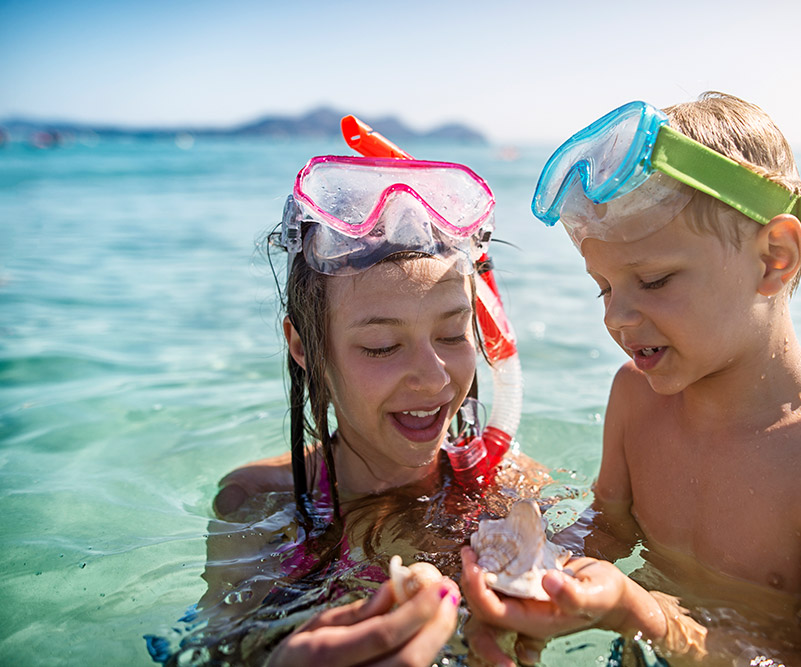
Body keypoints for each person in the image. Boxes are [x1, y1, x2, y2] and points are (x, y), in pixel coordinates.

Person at [461, 93, 801, 666]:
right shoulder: (635, 397)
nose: (615, 317)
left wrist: (645, 615)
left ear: (773, 258)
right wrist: (532, 578)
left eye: (656, 280)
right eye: (604, 287)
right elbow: (606, 528)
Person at [156, 153, 544, 666]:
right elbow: (209, 649)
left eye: (453, 334)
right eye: (382, 345)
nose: (434, 378)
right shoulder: (257, 506)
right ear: (304, 346)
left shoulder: (510, 488)